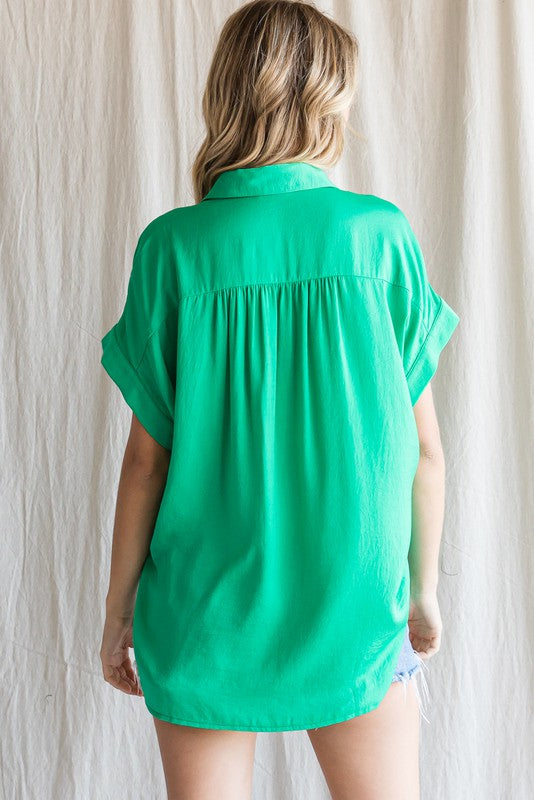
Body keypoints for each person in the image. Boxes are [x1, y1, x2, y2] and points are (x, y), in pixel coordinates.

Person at [99, 1, 460, 798]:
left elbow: (145, 463)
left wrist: (119, 610)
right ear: (330, 100)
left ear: (225, 92)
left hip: (206, 613)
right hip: (357, 608)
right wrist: (424, 590)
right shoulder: (378, 236)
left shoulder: (172, 250)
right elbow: (425, 452)